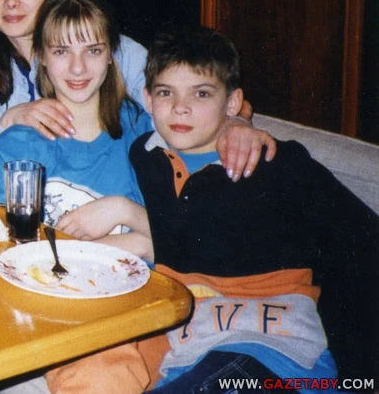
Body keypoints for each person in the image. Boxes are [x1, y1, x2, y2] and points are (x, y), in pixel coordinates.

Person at [48, 25, 379, 393]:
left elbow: (363, 240)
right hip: (186, 350)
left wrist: (361, 378)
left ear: (232, 103)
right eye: (166, 93)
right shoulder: (143, 156)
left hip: (270, 351)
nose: (180, 107)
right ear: (148, 98)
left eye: (202, 93)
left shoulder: (270, 162)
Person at [0, 0, 274, 187]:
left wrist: (236, 123)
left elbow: (183, 101)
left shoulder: (113, 51)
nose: (11, 2)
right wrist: (8, 121)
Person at [0, 0, 153, 255]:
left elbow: (179, 244)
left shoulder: (143, 133)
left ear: (111, 55)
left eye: (93, 51)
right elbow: (7, 251)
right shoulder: (15, 146)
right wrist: (129, 245)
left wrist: (122, 210)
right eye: (62, 51)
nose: (78, 68)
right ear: (41, 57)